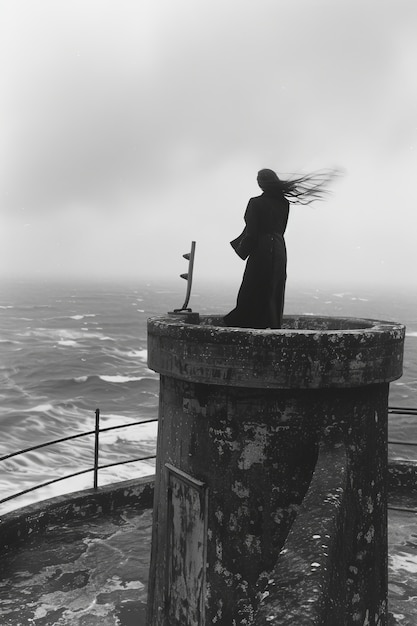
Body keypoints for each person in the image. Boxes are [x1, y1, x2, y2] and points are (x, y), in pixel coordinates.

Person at [224, 168, 337, 329]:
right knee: (274, 287)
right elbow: (281, 228)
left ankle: (248, 322)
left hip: (262, 248)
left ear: (261, 183)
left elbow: (251, 233)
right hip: (279, 247)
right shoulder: (284, 203)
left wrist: (241, 250)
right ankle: (272, 322)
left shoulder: (255, 202)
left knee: (252, 285)